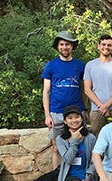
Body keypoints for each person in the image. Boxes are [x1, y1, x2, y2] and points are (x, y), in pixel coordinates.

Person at [42, 31, 85, 168]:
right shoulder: (51, 65)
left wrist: (85, 108)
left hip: (76, 113)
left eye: (67, 44)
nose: (64, 47)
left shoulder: (80, 65)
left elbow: (83, 89)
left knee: (79, 146)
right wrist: (47, 115)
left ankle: (78, 177)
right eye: (61, 44)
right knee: (56, 148)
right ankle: (57, 178)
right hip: (57, 113)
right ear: (57, 47)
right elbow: (46, 91)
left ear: (72, 46)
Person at [55, 105, 96, 181]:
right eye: (70, 118)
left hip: (85, 179)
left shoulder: (90, 138)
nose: (74, 120)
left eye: (77, 117)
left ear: (82, 119)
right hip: (70, 179)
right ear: (65, 121)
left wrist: (89, 178)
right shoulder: (60, 139)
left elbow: (94, 161)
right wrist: (75, 141)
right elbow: (67, 160)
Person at [84, 34, 112, 136]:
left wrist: (106, 106)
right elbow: (87, 89)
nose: (106, 47)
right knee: (95, 134)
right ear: (98, 46)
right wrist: (101, 106)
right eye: (103, 44)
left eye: (109, 45)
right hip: (97, 108)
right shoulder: (90, 65)